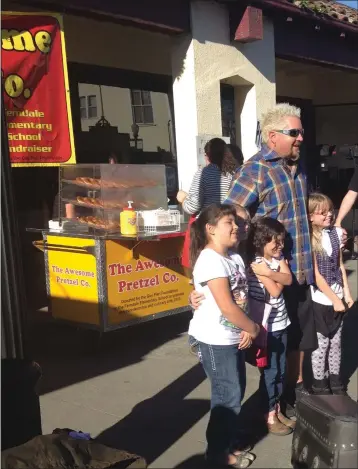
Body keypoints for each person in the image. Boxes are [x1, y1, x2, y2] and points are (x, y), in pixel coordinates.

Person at [222, 103, 315, 415]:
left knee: (300, 339)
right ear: (273, 137)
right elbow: (229, 222)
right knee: (274, 345)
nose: (301, 137)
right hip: (272, 276)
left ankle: (293, 393)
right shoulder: (254, 171)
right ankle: (269, 407)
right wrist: (242, 271)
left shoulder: (298, 168)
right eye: (295, 132)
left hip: (301, 270)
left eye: (301, 131)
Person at [188, 203, 260, 468]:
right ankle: (217, 453)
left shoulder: (234, 257)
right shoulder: (210, 259)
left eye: (238, 223)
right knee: (226, 395)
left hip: (232, 337)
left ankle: (227, 438)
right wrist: (252, 328)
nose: (237, 228)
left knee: (234, 390)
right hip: (215, 340)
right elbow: (228, 307)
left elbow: (239, 299)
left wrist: (246, 329)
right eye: (230, 223)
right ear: (210, 229)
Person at [246, 218, 294, 435]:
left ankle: (275, 409)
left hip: (282, 322)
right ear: (261, 241)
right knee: (271, 372)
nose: (280, 247)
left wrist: (270, 274)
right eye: (275, 242)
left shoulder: (272, 263)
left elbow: (289, 280)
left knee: (281, 370)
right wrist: (274, 275)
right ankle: (268, 413)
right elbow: (275, 291)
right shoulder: (257, 264)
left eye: (282, 242)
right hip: (267, 327)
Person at [308, 193, 354, 395]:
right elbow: (317, 276)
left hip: (337, 297)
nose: (329, 215)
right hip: (321, 299)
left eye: (330, 211)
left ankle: (335, 379)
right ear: (310, 216)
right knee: (322, 344)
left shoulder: (336, 234)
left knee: (336, 342)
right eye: (322, 212)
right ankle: (319, 381)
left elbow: (340, 265)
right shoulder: (310, 239)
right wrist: (335, 300)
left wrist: (347, 292)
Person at [177, 138, 240, 269]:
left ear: (207, 156)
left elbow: (193, 206)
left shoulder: (204, 173)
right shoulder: (233, 173)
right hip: (227, 224)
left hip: (206, 227)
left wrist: (183, 198)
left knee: (204, 265)